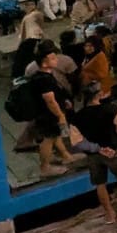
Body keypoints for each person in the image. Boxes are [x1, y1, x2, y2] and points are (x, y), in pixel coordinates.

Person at [73, 81, 117, 229]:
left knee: (100, 183)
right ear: (99, 94)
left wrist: (97, 148)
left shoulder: (77, 117)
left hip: (94, 154)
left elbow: (76, 141)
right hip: (114, 150)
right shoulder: (111, 109)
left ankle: (109, 214)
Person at [30, 45, 77, 176]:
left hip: (49, 113)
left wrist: (64, 101)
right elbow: (49, 100)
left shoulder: (46, 75)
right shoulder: (44, 79)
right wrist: (60, 115)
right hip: (47, 115)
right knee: (48, 138)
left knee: (55, 135)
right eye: (52, 58)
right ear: (44, 63)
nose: (56, 60)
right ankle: (45, 167)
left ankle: (66, 155)